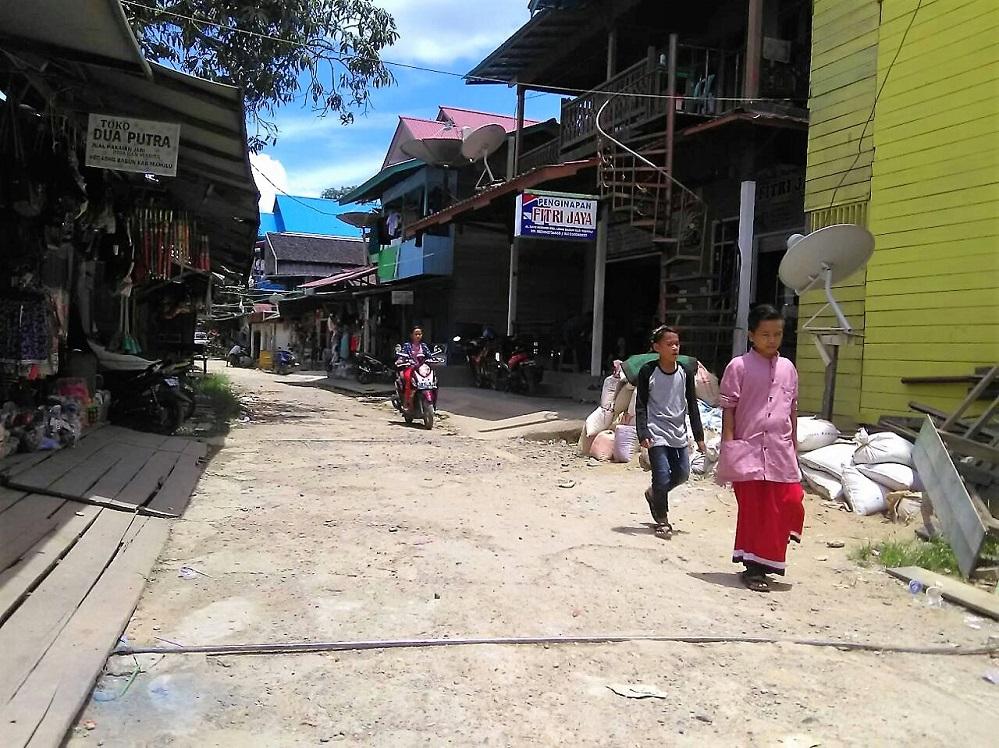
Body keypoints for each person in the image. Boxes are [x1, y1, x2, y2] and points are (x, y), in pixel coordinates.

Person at [716, 304, 803, 592]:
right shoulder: (738, 366)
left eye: (777, 334)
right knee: (755, 511)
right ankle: (754, 569)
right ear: (752, 335)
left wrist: (794, 446)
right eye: (765, 334)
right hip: (748, 451)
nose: (772, 340)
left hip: (780, 450)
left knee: (790, 501)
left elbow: (791, 408)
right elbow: (729, 409)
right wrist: (729, 445)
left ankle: (769, 553)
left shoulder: (789, 369)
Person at [635, 325, 705, 535]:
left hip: (678, 431)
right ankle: (662, 519)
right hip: (656, 430)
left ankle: (653, 494)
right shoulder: (648, 371)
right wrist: (643, 432)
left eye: (677, 343)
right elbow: (641, 404)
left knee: (682, 473)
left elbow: (692, 404)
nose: (675, 347)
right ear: (657, 347)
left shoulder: (684, 372)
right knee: (662, 475)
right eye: (669, 344)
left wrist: (699, 436)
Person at [395, 326, 431, 407]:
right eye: (416, 334)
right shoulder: (407, 345)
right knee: (408, 379)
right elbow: (402, 356)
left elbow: (429, 356)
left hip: (422, 368)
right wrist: (400, 360)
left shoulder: (424, 346)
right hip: (410, 368)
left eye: (420, 334)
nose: (418, 336)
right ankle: (407, 402)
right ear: (412, 335)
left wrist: (434, 359)